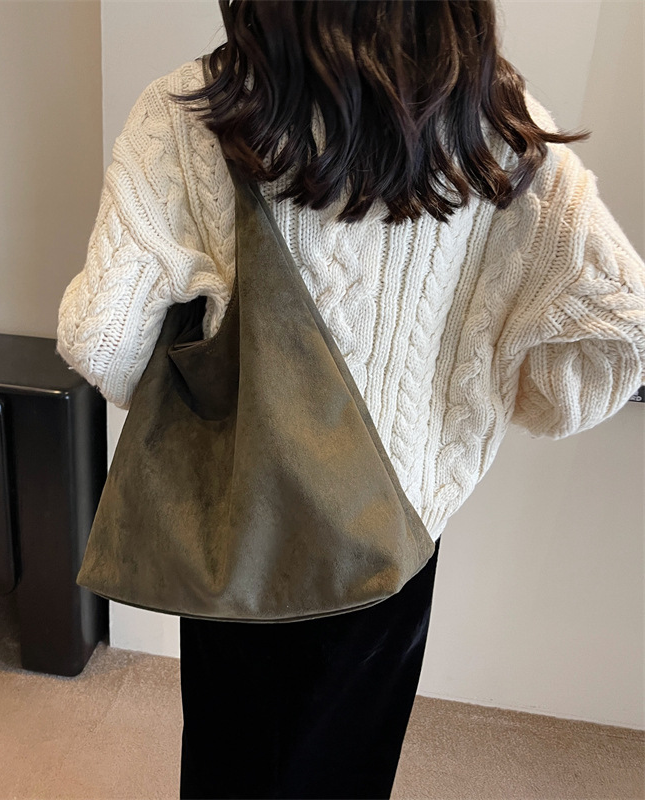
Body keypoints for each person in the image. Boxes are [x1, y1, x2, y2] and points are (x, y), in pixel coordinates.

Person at [55, 1, 645, 797]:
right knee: (348, 765)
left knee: (235, 759)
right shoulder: (498, 128)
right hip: (399, 528)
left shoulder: (195, 113)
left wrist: (200, 402)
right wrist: (493, 400)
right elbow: (615, 331)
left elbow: (99, 339)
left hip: (249, 512)